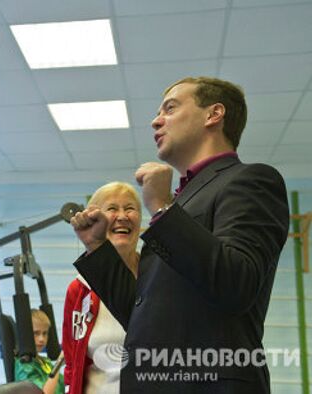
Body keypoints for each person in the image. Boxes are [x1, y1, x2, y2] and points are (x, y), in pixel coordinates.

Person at [70, 77, 289, 393]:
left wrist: (161, 207)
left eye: (170, 108)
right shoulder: (181, 203)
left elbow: (237, 283)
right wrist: (96, 247)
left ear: (213, 114)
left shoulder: (250, 180)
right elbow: (143, 314)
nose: (156, 120)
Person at [62, 182, 141, 394]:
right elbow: (71, 364)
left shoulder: (158, 279)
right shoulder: (79, 289)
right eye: (112, 209)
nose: (122, 216)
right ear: (92, 220)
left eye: (130, 208)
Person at [15, 309, 65, 394]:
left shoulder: (44, 361)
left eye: (44, 333)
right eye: (36, 333)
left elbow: (63, 383)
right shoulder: (25, 366)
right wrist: (59, 363)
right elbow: (43, 393)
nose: (41, 339)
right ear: (26, 334)